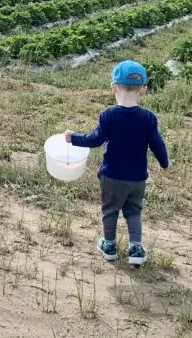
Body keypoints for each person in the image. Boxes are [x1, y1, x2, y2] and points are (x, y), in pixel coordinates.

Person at [65, 60, 169, 265]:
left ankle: (110, 246)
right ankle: (135, 249)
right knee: (134, 211)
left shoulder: (109, 115)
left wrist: (73, 137)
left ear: (113, 87)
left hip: (111, 175)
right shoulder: (148, 118)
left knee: (110, 210)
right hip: (137, 177)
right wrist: (164, 163)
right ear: (143, 90)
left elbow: (95, 139)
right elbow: (157, 143)